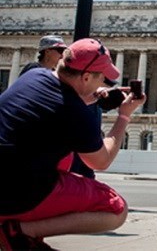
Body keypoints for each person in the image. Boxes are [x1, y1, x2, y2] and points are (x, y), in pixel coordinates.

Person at [0, 38, 145, 249]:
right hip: (12, 195)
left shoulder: (33, 75)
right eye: (101, 78)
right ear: (86, 77)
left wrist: (89, 96)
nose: (103, 83)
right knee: (116, 209)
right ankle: (18, 231)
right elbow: (101, 161)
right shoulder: (74, 113)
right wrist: (124, 116)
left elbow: (54, 102)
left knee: (63, 156)